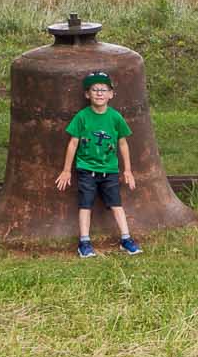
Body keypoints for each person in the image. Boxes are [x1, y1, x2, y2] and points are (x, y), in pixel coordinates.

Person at [54, 71, 141, 257]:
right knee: (85, 205)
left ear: (111, 94)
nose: (99, 93)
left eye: (104, 89)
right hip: (87, 170)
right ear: (87, 94)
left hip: (109, 170)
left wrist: (128, 170)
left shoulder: (115, 117)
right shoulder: (82, 117)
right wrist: (66, 170)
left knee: (117, 204)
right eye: (95, 90)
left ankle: (126, 239)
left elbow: (123, 143)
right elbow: (73, 143)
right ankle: (84, 242)